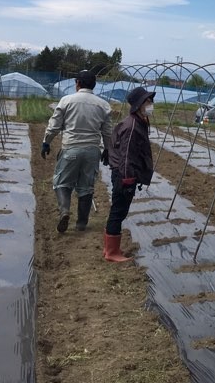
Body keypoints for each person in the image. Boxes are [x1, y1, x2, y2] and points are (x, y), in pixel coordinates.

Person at [42, 70, 112, 234]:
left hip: (71, 149)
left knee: (61, 182)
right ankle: (81, 223)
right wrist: (108, 150)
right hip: (92, 151)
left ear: (78, 83)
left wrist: (46, 142)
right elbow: (108, 132)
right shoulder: (103, 105)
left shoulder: (67, 100)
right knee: (86, 187)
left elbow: (54, 125)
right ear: (94, 85)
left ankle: (65, 211)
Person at [104, 86, 155, 262]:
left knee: (119, 210)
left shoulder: (138, 122)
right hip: (124, 174)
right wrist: (127, 180)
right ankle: (112, 252)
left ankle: (110, 250)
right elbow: (126, 156)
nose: (150, 104)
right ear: (139, 105)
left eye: (150, 101)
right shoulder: (133, 126)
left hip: (124, 173)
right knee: (118, 211)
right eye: (147, 101)